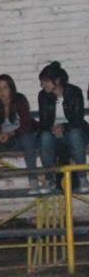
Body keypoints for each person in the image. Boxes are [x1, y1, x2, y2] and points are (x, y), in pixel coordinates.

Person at [0, 74, 45, 194]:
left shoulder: (20, 100)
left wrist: (11, 134)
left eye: (5, 88)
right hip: (1, 139)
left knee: (28, 139)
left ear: (11, 88)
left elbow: (26, 125)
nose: (2, 92)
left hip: (18, 138)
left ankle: (33, 181)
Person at [36, 61, 89, 193]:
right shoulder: (43, 96)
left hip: (73, 131)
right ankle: (50, 179)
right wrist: (54, 129)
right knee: (45, 137)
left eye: (46, 81)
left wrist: (64, 128)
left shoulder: (74, 92)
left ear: (57, 80)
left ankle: (82, 178)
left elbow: (78, 120)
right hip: (53, 133)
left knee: (75, 134)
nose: (43, 85)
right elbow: (44, 122)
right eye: (42, 82)